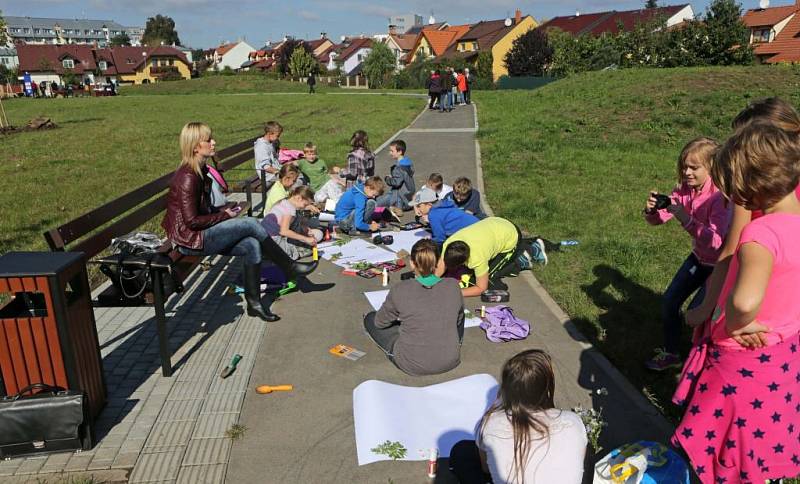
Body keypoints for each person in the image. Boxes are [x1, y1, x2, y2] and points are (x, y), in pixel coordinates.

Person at [672, 121, 800, 484]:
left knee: (716, 445)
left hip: (738, 360)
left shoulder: (759, 233)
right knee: (757, 441)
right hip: (781, 357)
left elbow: (744, 301)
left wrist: (737, 322)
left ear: (749, 183)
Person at [161, 122, 317, 322]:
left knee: (252, 245)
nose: (213, 142)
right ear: (195, 146)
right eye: (208, 140)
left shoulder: (200, 171)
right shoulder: (188, 177)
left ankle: (254, 304)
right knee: (251, 223)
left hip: (198, 233)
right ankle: (289, 266)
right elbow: (191, 221)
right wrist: (225, 216)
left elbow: (200, 211)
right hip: (189, 240)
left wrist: (221, 211)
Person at [686, 97, 800, 329]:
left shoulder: (754, 185)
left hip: (754, 297)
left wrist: (708, 310)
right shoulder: (783, 180)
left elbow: (730, 251)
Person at [642, 137, 730, 371]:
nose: (687, 172)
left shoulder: (718, 197)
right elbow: (660, 219)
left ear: (711, 167)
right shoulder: (684, 189)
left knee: (697, 316)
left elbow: (715, 242)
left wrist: (685, 218)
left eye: (694, 167)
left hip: (719, 266)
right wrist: (651, 211)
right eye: (684, 166)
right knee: (669, 301)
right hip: (698, 259)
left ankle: (699, 365)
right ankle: (672, 354)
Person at [449, 349, 587, 484]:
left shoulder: (491, 423)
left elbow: (486, 469)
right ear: (547, 387)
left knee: (461, 452)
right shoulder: (573, 421)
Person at [363, 239, 465, 376]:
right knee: (457, 315)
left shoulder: (400, 289)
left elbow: (380, 323)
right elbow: (458, 321)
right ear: (439, 261)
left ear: (412, 263)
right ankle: (449, 346)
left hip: (412, 363)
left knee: (370, 318)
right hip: (450, 359)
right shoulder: (453, 285)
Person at [436, 217, 537, 297]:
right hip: (495, 223)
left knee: (490, 279)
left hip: (511, 235)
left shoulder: (477, 258)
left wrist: (455, 293)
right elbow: (442, 264)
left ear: (464, 261)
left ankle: (522, 258)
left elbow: (481, 288)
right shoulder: (449, 243)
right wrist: (432, 280)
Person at [261, 185, 323, 260]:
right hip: (272, 240)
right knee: (307, 250)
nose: (304, 207)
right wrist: (305, 239)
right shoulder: (290, 210)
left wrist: (306, 229)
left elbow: (295, 220)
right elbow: (284, 231)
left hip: (263, 236)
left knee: (308, 240)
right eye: (305, 204)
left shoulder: (285, 201)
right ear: (299, 198)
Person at [410, 187, 478, 244]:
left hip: (473, 234)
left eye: (419, 206)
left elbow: (440, 239)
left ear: (429, 205)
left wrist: (427, 242)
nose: (418, 210)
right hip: (477, 225)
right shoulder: (444, 203)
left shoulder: (433, 215)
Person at [379, 139, 415, 212]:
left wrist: (387, 178)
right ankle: (396, 207)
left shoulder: (398, 168)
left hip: (399, 197)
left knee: (376, 204)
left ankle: (396, 208)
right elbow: (402, 178)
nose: (390, 153)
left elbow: (396, 183)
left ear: (399, 152)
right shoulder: (408, 163)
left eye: (392, 151)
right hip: (408, 196)